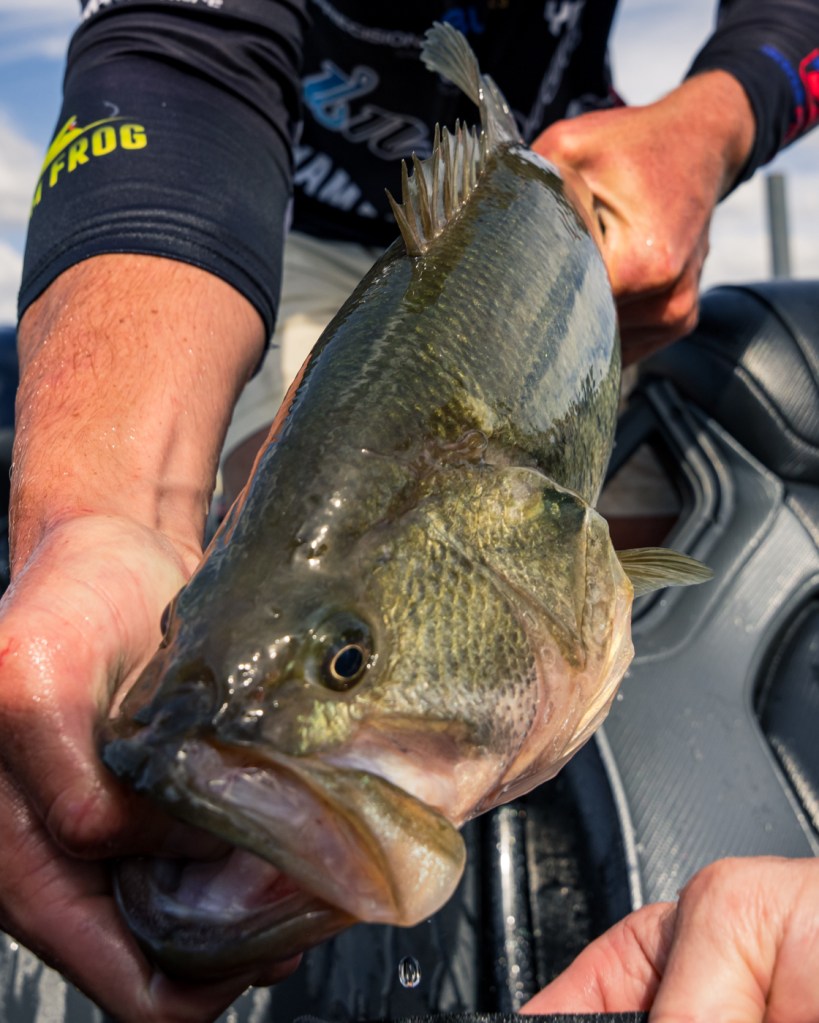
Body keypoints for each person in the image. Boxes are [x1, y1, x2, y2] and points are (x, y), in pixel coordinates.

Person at [3, 2, 818, 1021]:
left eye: (346, 661)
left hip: (557, 223)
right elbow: (182, 46)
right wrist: (103, 513)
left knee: (647, 534)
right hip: (303, 224)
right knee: (265, 493)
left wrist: (716, 118)